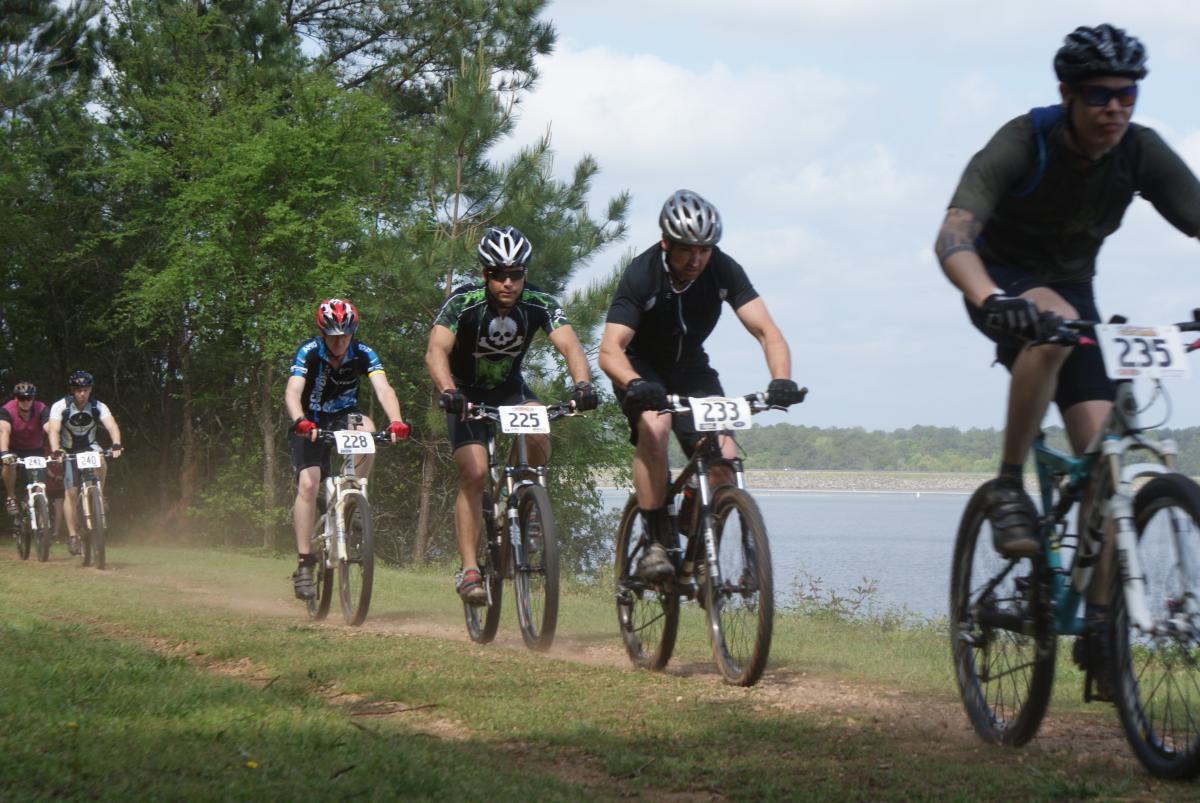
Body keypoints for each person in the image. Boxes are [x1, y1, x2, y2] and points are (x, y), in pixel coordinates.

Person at [934, 24, 1200, 695]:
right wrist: (991, 297)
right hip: (1000, 285)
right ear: (1068, 94)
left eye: (1127, 94)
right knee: (1049, 326)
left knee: (1107, 462)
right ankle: (1006, 484)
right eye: (1099, 95)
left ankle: (1104, 625)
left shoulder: (1138, 151)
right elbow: (953, 235)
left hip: (1076, 296)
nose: (1116, 107)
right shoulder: (1025, 141)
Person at [598, 190, 804, 582]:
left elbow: (767, 332)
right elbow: (610, 351)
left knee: (724, 460)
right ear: (666, 244)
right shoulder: (642, 274)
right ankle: (656, 540)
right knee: (655, 428)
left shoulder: (723, 270)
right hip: (639, 369)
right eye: (687, 250)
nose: (696, 260)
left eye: (705, 250)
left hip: (692, 371)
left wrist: (781, 379)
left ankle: (699, 539)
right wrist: (636, 383)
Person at [426, 225, 598, 603]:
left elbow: (569, 345)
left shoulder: (540, 302)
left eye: (516, 274)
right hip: (466, 394)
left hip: (511, 390)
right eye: (499, 275)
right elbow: (436, 350)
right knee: (473, 473)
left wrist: (583, 385)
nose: (508, 283)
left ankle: (525, 497)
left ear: (525, 274)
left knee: (538, 433)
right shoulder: (463, 302)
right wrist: (449, 392)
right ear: (486, 274)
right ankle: (470, 568)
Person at [285, 298, 409, 600]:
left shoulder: (364, 353)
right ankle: (304, 562)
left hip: (344, 416)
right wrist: (300, 420)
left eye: (345, 334)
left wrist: (395, 421)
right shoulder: (309, 351)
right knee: (309, 483)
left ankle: (353, 497)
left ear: (353, 331)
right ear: (322, 333)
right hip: (310, 420)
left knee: (367, 430)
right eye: (333, 335)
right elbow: (292, 390)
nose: (340, 341)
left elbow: (383, 388)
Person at [45, 371, 123, 556]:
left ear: (90, 390)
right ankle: (73, 536)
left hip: (90, 446)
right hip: (68, 450)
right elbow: (54, 430)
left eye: (85, 390)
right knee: (70, 493)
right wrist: (56, 450)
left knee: (102, 458)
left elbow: (112, 425)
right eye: (78, 390)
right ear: (72, 391)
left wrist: (117, 444)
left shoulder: (97, 406)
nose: (82, 393)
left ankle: (99, 494)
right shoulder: (60, 406)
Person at [0, 382, 49, 521]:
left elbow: (49, 428)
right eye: (22, 398)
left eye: (29, 399)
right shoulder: (6, 410)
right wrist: (4, 454)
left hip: (35, 448)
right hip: (14, 448)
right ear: (16, 399)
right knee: (9, 464)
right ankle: (11, 497)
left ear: (33, 399)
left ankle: (38, 505)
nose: (26, 402)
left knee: (39, 486)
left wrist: (57, 448)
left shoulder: (41, 408)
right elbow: (3, 431)